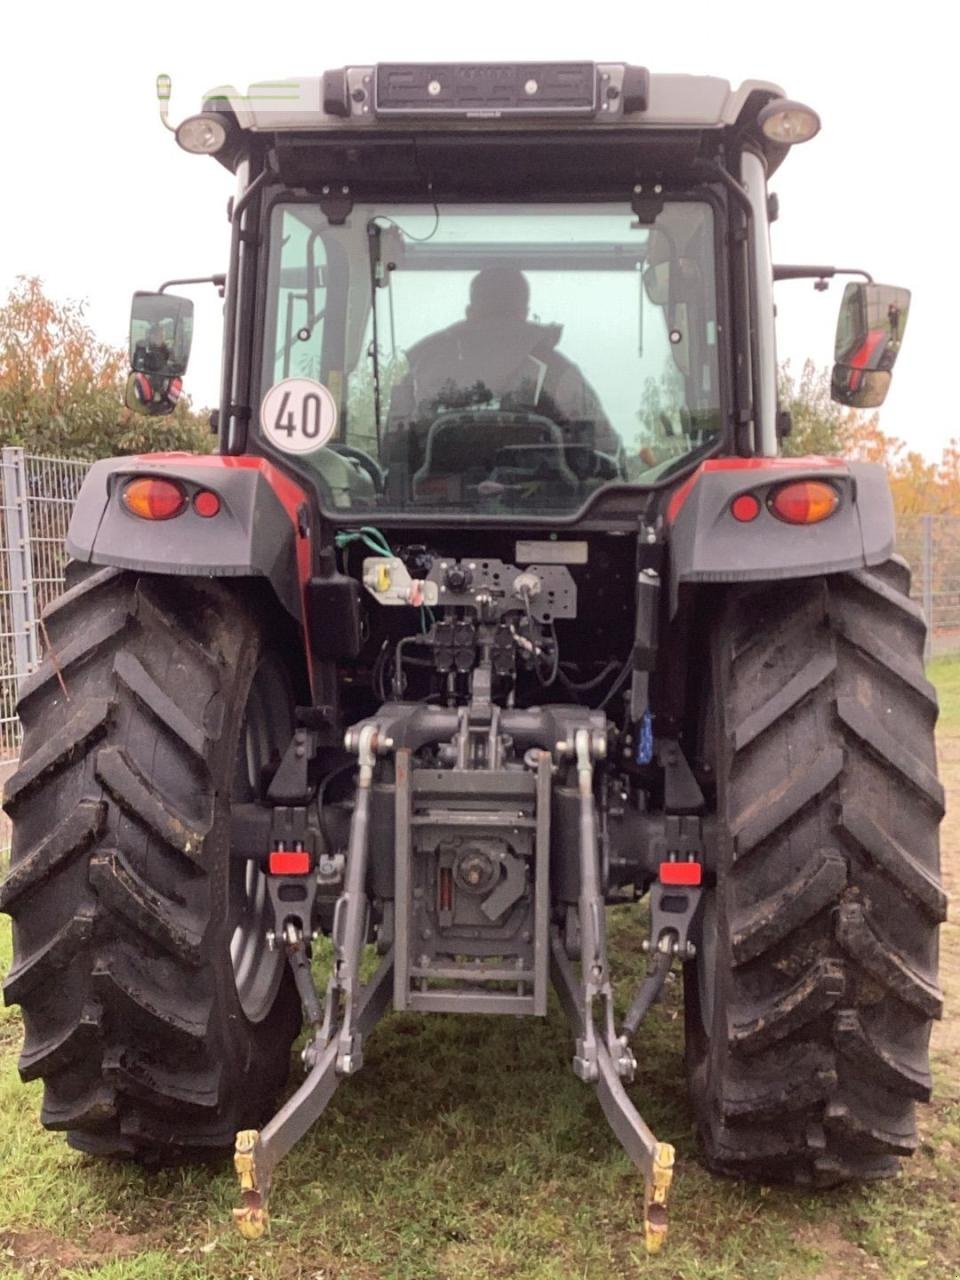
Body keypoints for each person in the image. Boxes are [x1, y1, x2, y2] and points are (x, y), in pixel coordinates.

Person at [387, 267, 621, 459]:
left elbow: (392, 452)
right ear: (524, 313)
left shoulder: (421, 372)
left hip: (430, 514)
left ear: (470, 312)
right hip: (551, 513)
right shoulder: (559, 373)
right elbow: (606, 452)